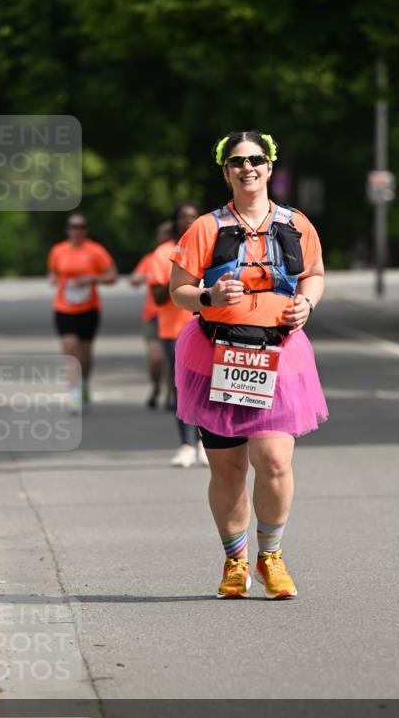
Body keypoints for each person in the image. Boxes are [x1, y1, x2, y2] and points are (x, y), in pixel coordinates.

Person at [169, 131, 327, 599]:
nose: (248, 168)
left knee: (275, 461)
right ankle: (235, 562)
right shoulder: (205, 227)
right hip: (215, 355)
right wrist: (207, 296)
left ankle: (271, 556)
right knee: (229, 470)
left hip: (279, 357)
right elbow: (177, 289)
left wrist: (307, 305)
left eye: (256, 159)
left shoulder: (296, 223)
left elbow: (313, 275)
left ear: (270, 166)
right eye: (238, 162)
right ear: (226, 171)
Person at [148, 203, 208, 468]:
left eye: (193, 217)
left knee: (208, 385)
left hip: (208, 326)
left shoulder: (211, 246)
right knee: (181, 387)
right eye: (183, 218)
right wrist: (181, 279)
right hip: (174, 330)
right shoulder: (163, 253)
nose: (188, 222)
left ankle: (204, 442)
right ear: (174, 222)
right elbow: (158, 297)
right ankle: (185, 444)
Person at [47, 213, 117, 408]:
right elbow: (52, 272)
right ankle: (74, 392)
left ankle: (85, 382)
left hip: (89, 308)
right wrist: (53, 279)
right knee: (69, 348)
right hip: (64, 307)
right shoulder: (58, 250)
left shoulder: (95, 251)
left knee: (85, 353)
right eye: (73, 226)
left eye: (81, 226)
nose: (77, 230)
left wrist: (92, 279)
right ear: (67, 229)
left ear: (85, 230)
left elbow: (112, 275)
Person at [130, 220, 173, 408]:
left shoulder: (179, 254)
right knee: (156, 359)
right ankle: (156, 387)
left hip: (174, 317)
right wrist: (144, 277)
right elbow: (134, 279)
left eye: (168, 234)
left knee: (173, 361)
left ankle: (172, 397)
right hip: (153, 315)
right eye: (162, 234)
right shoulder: (153, 258)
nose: (165, 237)